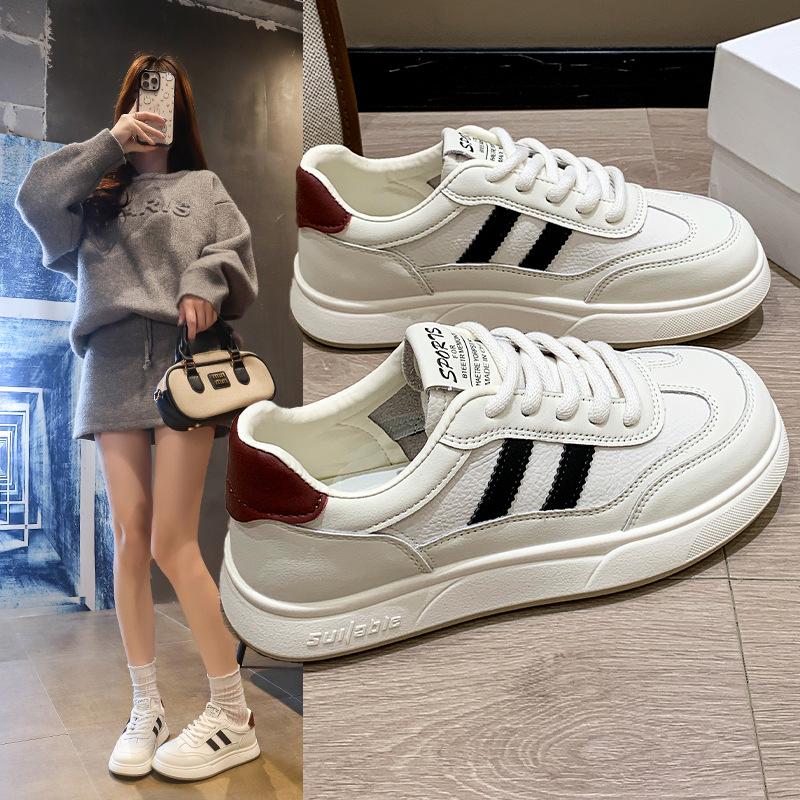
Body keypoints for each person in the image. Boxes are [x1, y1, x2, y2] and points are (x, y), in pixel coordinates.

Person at [16, 54, 260, 781]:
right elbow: (34, 196)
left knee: (171, 542)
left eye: (168, 94)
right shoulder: (93, 193)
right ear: (128, 102)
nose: (158, 106)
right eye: (146, 94)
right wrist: (111, 143)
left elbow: (235, 253)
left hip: (186, 367)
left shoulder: (203, 187)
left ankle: (232, 712)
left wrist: (203, 279)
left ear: (184, 107)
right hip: (111, 362)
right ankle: (146, 706)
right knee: (129, 537)